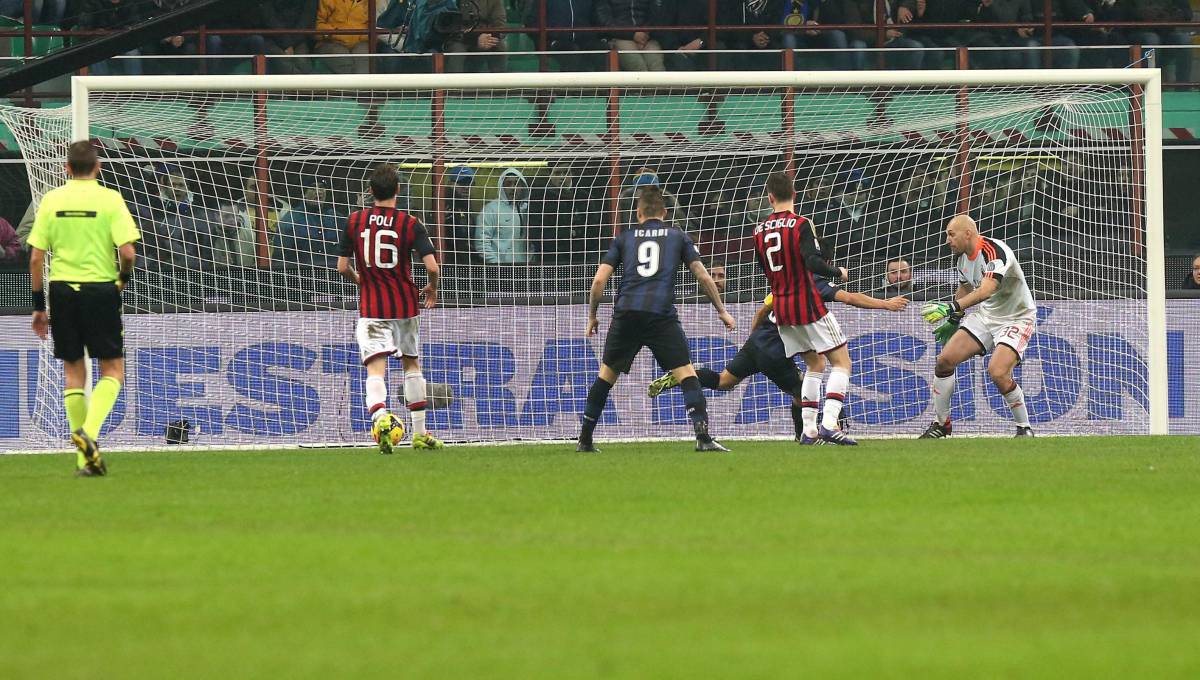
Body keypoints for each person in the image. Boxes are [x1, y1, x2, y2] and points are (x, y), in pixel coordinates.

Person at [649, 265, 908, 442]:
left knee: (722, 381)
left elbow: (762, 312)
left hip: (756, 344)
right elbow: (850, 298)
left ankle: (683, 375)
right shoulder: (813, 281)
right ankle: (804, 435)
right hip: (775, 353)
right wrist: (885, 303)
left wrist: (753, 339)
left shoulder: (783, 286)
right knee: (803, 390)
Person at [578, 187, 736, 453]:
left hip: (626, 312)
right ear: (664, 212)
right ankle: (703, 437)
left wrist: (593, 316)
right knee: (686, 373)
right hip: (660, 314)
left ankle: (584, 440)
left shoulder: (624, 238)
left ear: (638, 213)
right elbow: (703, 276)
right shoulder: (678, 237)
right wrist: (721, 310)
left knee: (606, 375)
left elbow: (598, 281)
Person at [26, 141, 140, 477]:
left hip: (62, 291)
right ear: (98, 166)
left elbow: (35, 257)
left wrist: (38, 306)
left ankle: (84, 460)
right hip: (100, 289)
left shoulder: (52, 199)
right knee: (113, 370)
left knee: (74, 373)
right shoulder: (109, 199)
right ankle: (88, 433)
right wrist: (121, 280)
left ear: (66, 168)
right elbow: (129, 252)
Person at [336, 163, 445, 452]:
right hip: (405, 305)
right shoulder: (410, 223)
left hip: (372, 307)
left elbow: (342, 266)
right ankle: (420, 434)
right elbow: (433, 266)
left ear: (370, 191)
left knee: (375, 369)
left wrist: (361, 281)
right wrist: (432, 287)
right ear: (398, 190)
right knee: (411, 364)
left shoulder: (355, 221)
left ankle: (382, 419)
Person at [753, 172, 855, 445]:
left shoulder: (758, 230)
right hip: (806, 302)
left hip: (782, 307)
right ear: (794, 195)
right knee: (842, 362)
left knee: (814, 363)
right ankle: (830, 424)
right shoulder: (801, 224)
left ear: (770, 197)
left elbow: (765, 270)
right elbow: (812, 262)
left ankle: (808, 431)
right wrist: (838, 271)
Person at [918, 214, 1037, 438]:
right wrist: (955, 319)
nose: (947, 240)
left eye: (951, 234)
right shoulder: (961, 259)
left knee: (998, 372)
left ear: (968, 233)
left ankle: (1024, 428)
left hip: (1016, 317)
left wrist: (951, 307)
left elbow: (985, 290)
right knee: (944, 361)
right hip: (986, 316)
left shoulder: (995, 252)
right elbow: (965, 287)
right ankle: (941, 425)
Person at [476, 168, 531, 264]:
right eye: (508, 184)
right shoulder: (490, 210)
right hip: (499, 270)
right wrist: (497, 265)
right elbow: (482, 243)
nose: (513, 188)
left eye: (517, 184)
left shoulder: (528, 210)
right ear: (502, 186)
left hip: (525, 268)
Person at [444, 0, 508, 73]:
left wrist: (487, 38)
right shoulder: (454, 2)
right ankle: (453, 82)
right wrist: (476, 39)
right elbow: (453, 25)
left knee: (500, 46)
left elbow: (500, 26)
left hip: (485, 35)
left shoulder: (494, 1)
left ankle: (500, 82)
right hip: (462, 38)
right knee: (456, 48)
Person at [315, 0, 371, 74]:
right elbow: (317, 24)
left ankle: (362, 85)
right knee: (345, 63)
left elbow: (374, 26)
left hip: (360, 42)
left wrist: (360, 36)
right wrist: (335, 34)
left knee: (362, 62)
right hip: (331, 41)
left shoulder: (371, 3)